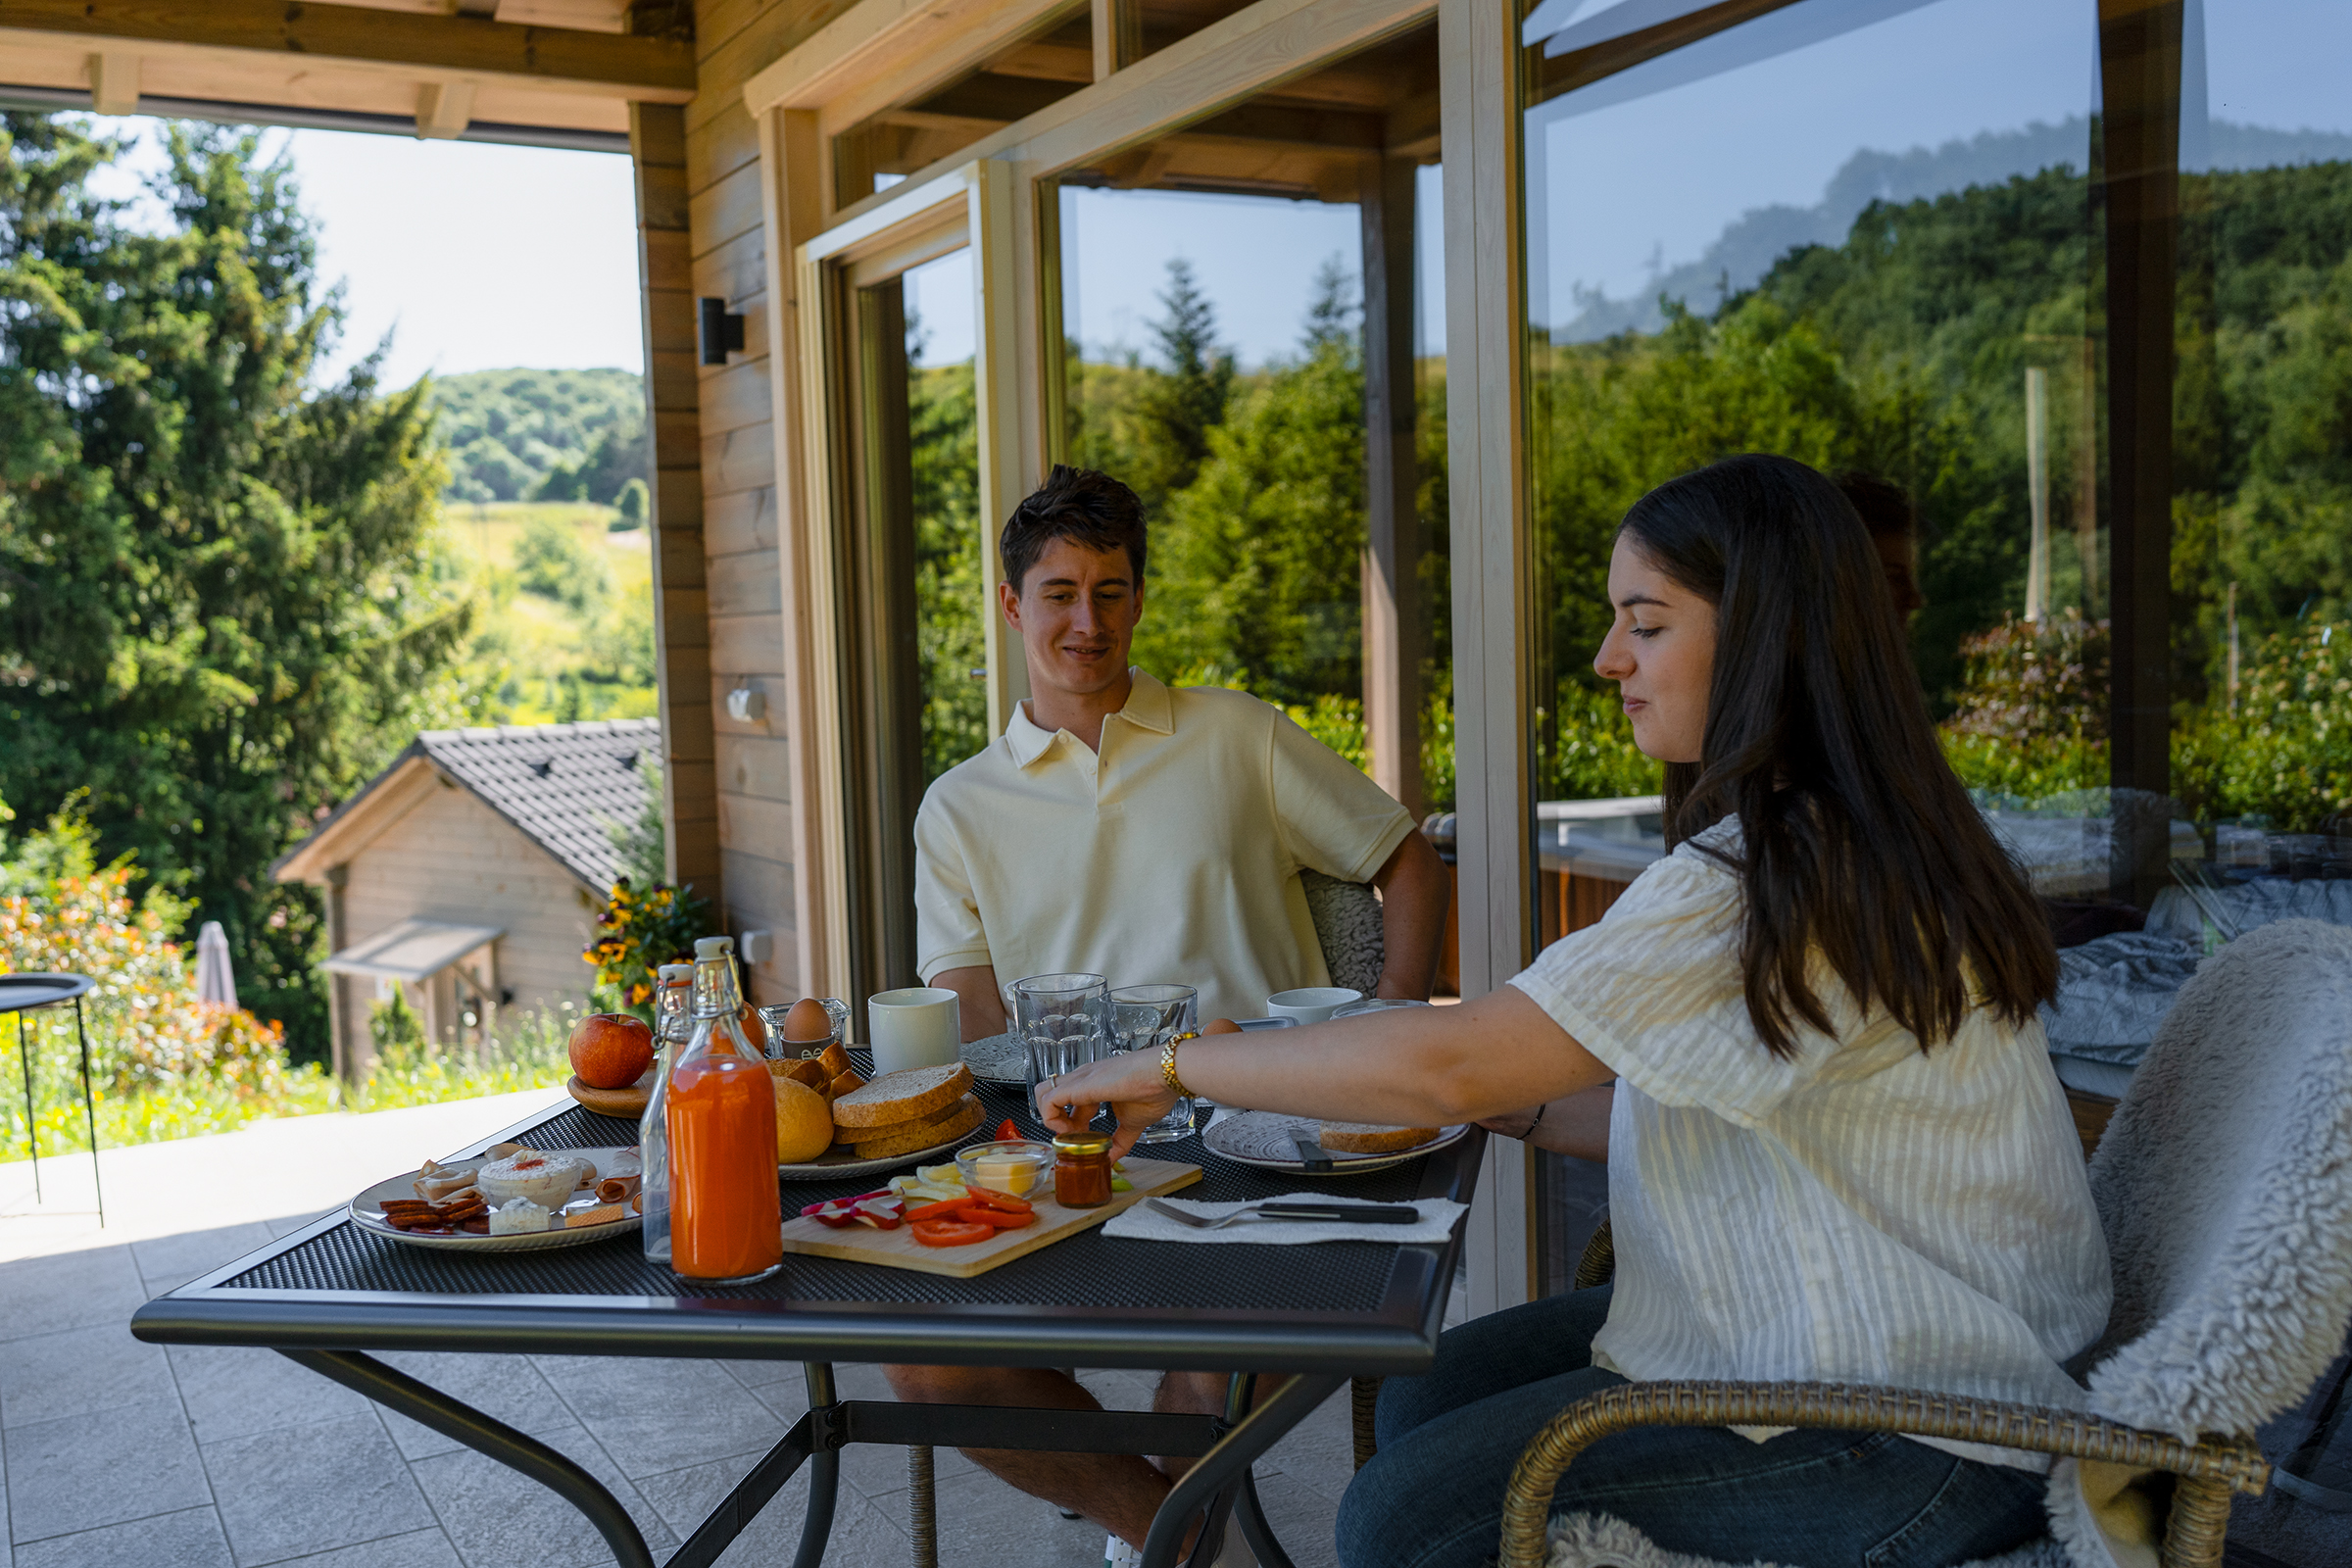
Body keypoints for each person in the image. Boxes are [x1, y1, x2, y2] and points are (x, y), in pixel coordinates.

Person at [1040, 453, 2110, 1568]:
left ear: (1762, 635)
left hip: (1922, 1428)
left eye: (1644, 625)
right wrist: (1533, 1114)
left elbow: (1452, 1062)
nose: (1608, 660)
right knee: (1426, 1393)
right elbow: (1776, 1113)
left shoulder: (1769, 873)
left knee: (1400, 1519)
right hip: (1927, 1346)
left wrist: (1173, 1066)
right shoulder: (1854, 830)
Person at [892, 463, 1453, 1566]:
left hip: (1268, 1134)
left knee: (1211, 1361)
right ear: (1013, 606)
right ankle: (1166, 1528)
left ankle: (1162, 1530)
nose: (1085, 621)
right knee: (928, 1366)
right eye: (1059, 593)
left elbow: (1405, 856)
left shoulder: (1236, 734)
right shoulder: (958, 804)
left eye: (1110, 590)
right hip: (1078, 1138)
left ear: (1140, 599)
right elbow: (965, 991)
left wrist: (1388, 1020)